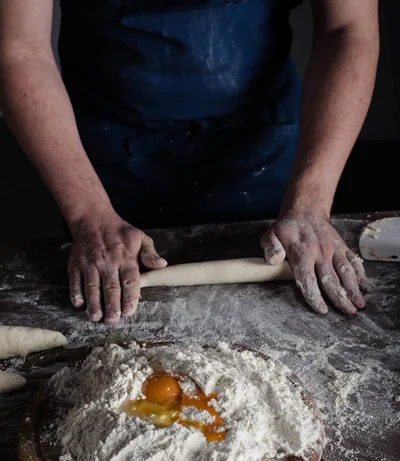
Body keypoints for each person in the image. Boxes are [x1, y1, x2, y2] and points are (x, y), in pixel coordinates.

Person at [0, 0, 379, 325]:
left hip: (263, 140)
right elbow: (20, 49)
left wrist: (311, 202)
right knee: (109, 305)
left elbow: (348, 29)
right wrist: (88, 213)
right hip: (107, 152)